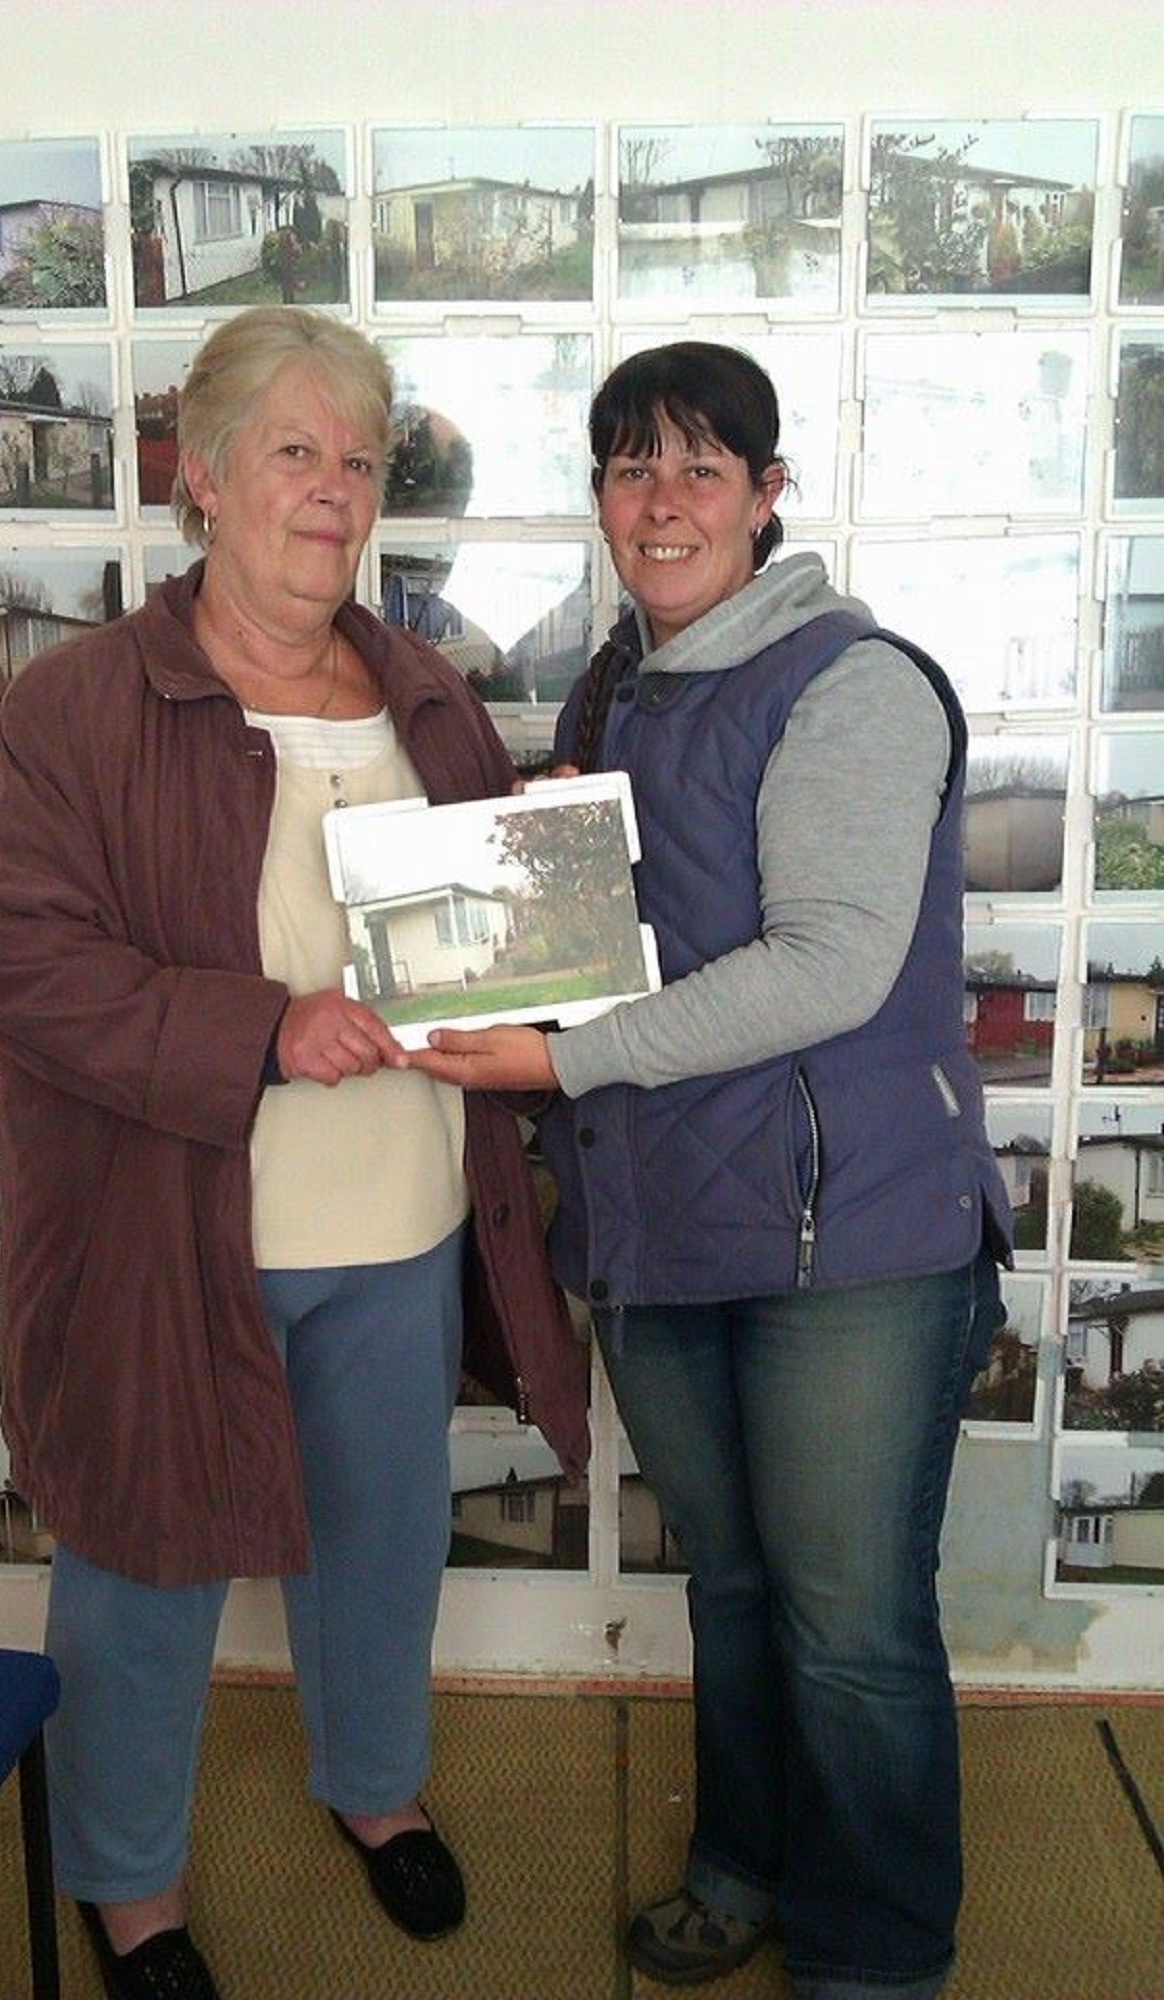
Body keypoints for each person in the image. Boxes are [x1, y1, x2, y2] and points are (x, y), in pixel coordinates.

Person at [0, 305, 588, 2000]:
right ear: (202, 481)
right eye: (293, 452)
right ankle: (127, 1884)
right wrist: (259, 1027)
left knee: (383, 1547)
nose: (332, 490)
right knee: (145, 1565)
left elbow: (473, 953)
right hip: (174, 1233)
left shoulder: (422, 688)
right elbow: (3, 953)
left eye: (357, 460)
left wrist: (546, 879)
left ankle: (374, 1792)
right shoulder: (78, 704)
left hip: (403, 1218)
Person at [408, 341, 1012, 2000]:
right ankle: (742, 1864)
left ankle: (875, 1950)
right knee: (735, 1586)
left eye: (695, 466)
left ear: (765, 492)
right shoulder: (617, 681)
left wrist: (553, 1059)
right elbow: (626, 929)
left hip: (854, 1243)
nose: (657, 501)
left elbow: (825, 967)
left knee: (851, 1625)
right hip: (662, 1219)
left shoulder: (850, 682)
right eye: (626, 467)